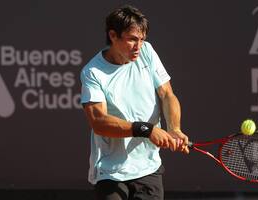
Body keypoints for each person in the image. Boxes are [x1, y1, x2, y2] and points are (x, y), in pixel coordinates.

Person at [80, 5, 189, 200]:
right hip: (110, 173)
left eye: (141, 39)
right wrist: (147, 129)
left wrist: (175, 128)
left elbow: (167, 94)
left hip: (148, 169)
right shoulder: (93, 72)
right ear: (113, 36)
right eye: (132, 39)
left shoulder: (146, 52)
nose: (138, 46)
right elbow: (99, 122)